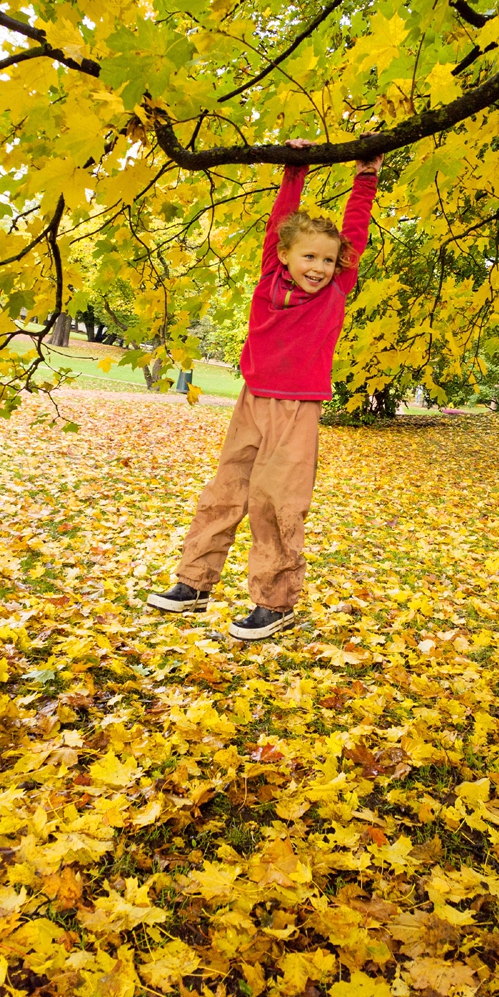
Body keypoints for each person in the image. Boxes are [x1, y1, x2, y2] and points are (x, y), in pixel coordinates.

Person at [146, 139, 382, 640]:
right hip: (252, 401)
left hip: (298, 409)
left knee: (276, 502)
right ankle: (194, 582)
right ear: (285, 256)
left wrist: (366, 177)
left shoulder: (335, 289)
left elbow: (355, 234)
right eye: (308, 256)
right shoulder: (270, 278)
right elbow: (280, 221)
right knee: (225, 491)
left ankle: (275, 603)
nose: (318, 267)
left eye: (327, 259)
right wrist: (295, 169)